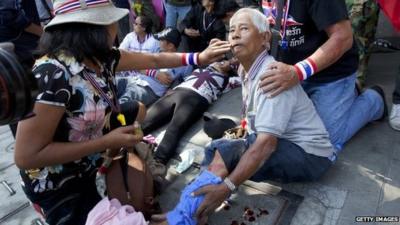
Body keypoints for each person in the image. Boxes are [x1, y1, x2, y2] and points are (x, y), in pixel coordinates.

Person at [13, 0, 230, 224]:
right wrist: (105, 142)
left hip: (90, 165)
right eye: (111, 20)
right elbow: (26, 156)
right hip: (59, 186)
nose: (117, 26)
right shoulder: (50, 74)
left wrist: (198, 58)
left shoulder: (102, 57)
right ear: (92, 28)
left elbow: (154, 59)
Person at [150, 8, 335, 225]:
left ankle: (184, 215)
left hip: (310, 156)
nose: (235, 35)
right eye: (232, 30)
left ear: (265, 38)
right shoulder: (245, 70)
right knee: (217, 148)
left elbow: (265, 145)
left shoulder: (271, 76)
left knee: (227, 151)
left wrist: (227, 187)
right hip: (289, 144)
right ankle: (197, 210)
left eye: (244, 29)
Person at [258, 0, 386, 152]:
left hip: (331, 73)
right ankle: (348, 95)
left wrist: (298, 72)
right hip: (290, 71)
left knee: (324, 140)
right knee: (274, 128)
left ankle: (374, 101)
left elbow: (343, 37)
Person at [142, 57, 239, 173]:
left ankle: (157, 165)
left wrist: (236, 64)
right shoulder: (200, 69)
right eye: (220, 61)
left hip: (196, 99)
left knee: (174, 129)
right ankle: (125, 144)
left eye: (224, 63)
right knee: (145, 120)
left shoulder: (227, 81)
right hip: (177, 92)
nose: (221, 63)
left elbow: (245, 79)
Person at [0, 0, 43, 137]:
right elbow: (10, 14)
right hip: (21, 50)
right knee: (28, 105)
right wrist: (42, 33)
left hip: (12, 53)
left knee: (18, 105)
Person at [119, 27, 193, 106]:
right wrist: (155, 74)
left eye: (161, 40)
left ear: (170, 45)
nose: (158, 41)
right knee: (111, 86)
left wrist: (174, 89)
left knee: (125, 100)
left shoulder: (184, 63)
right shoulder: (155, 50)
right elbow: (138, 67)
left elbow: (188, 83)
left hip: (150, 90)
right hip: (134, 80)